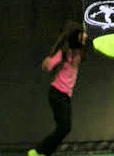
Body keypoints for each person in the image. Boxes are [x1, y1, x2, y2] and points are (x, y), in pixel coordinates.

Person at [28, 21, 88, 156]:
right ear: (75, 37)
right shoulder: (64, 53)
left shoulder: (79, 52)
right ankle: (38, 151)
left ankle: (42, 152)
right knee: (64, 127)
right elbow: (48, 66)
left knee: (64, 128)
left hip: (64, 96)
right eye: (82, 34)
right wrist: (47, 64)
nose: (85, 36)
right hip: (57, 94)